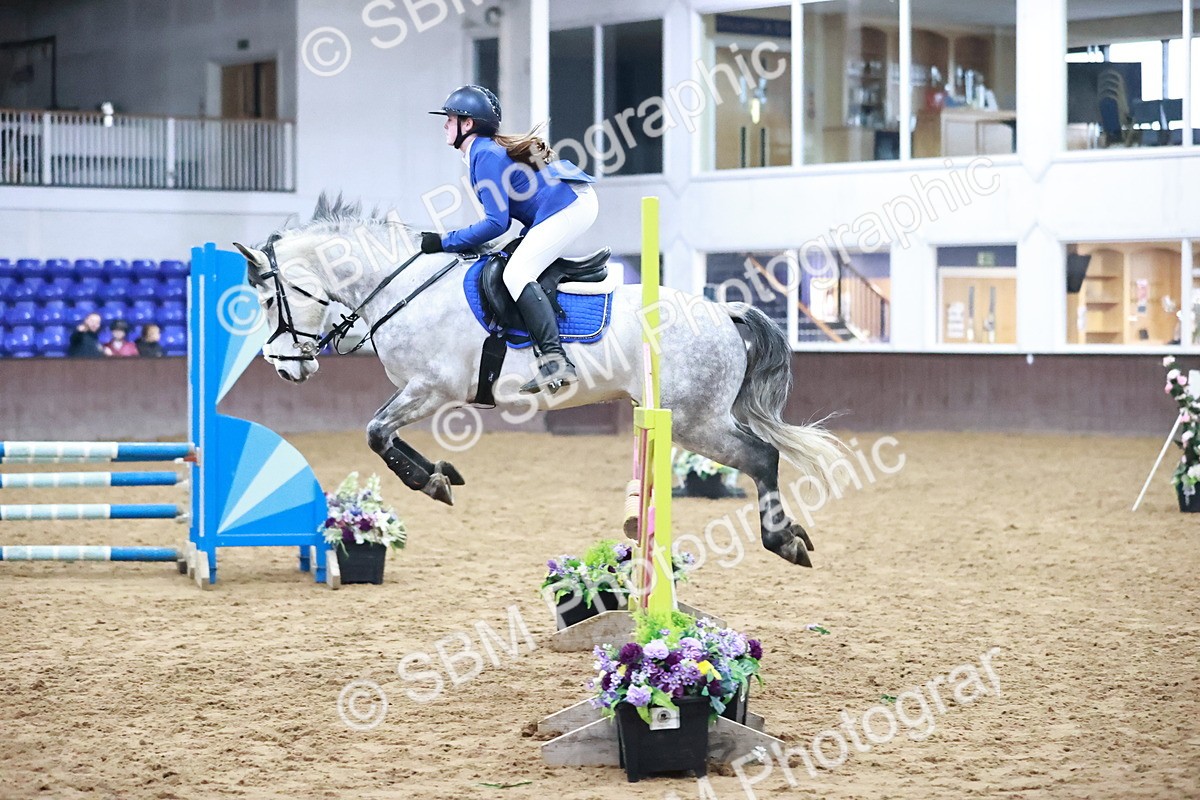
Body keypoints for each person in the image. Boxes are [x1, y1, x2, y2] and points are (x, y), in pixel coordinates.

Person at [422, 85, 597, 395]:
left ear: (468, 124)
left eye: (450, 119)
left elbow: (496, 223)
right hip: (563, 204)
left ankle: (556, 362)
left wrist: (445, 241)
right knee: (512, 264)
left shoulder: (484, 155)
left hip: (569, 204)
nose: (445, 125)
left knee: (517, 273)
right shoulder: (483, 152)